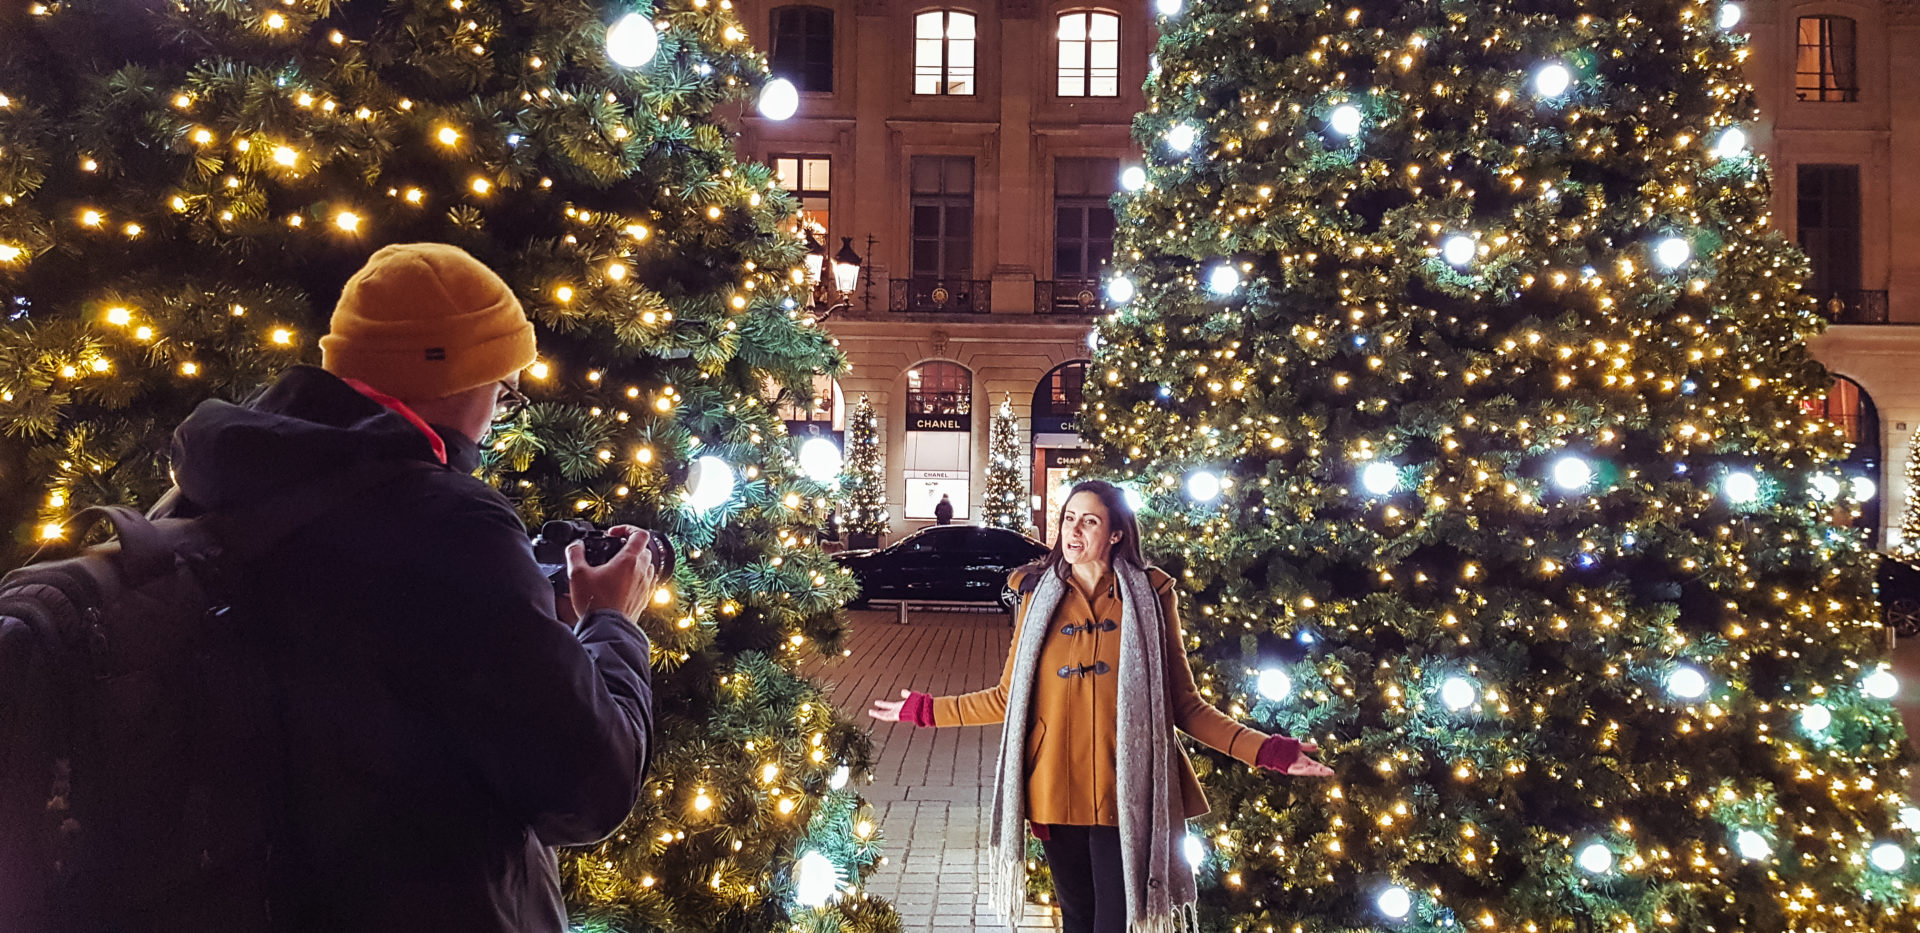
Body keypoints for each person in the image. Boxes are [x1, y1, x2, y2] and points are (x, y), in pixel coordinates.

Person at [159, 243, 657, 932]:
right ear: (457, 377)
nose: (496, 413)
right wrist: (613, 621)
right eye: (503, 390)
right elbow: (590, 785)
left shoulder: (219, 480)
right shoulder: (446, 522)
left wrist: (533, 608)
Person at [868, 479, 1331, 933]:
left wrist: (1268, 751)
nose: (1074, 530)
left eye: (1089, 521)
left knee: (1114, 923)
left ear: (1115, 533)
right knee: (1078, 921)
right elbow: (1008, 699)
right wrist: (924, 711)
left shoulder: (1148, 597)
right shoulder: (1036, 596)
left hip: (1122, 793)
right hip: (1052, 789)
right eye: (1069, 518)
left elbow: (1185, 706)